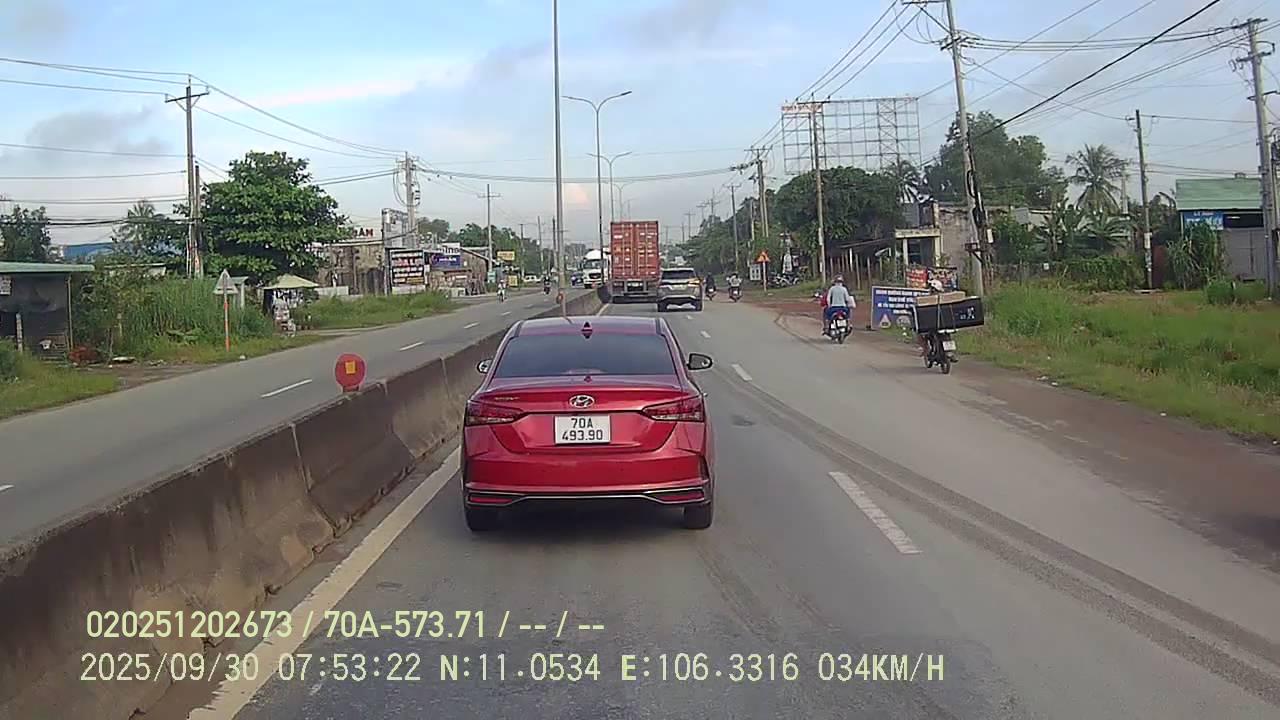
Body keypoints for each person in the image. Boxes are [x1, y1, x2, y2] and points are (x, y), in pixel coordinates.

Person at [916, 278, 946, 356]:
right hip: (943, 323)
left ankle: (926, 348)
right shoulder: (944, 298)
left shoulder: (930, 299)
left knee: (920, 333)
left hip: (933, 324)